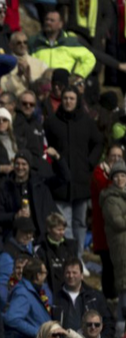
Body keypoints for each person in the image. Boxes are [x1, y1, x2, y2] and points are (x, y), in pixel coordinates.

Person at [44, 87, 103, 264]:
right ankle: (69, 258)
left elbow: (98, 142)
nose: (68, 101)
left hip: (81, 182)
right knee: (65, 223)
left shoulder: (86, 122)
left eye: (72, 98)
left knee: (80, 223)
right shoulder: (52, 122)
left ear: (77, 101)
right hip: (61, 183)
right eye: (65, 98)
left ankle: (78, 258)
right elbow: (46, 146)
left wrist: (90, 163)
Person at [91, 145, 125, 300]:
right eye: (113, 155)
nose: (116, 158)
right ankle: (110, 301)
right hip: (106, 234)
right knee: (110, 268)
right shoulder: (100, 175)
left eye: (119, 156)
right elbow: (117, 221)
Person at [5, 258, 53, 338]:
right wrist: (38, 332)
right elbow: (12, 318)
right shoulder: (23, 293)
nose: (46, 276)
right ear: (38, 275)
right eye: (45, 273)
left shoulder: (33, 290)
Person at [29, 10, 96, 79]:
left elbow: (90, 58)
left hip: (64, 85)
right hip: (40, 85)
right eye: (46, 20)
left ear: (60, 24)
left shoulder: (70, 42)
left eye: (52, 20)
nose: (48, 22)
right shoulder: (34, 42)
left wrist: (78, 75)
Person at [101, 161, 126, 318]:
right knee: (124, 283)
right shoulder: (110, 199)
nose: (120, 179)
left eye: (123, 175)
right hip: (121, 247)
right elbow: (118, 222)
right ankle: (121, 326)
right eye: (116, 176)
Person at [0, 31, 49, 98]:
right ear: (11, 45)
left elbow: (45, 89)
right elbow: (5, 89)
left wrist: (29, 79)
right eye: (18, 43)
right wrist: (18, 76)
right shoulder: (5, 64)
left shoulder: (40, 64)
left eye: (25, 42)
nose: (22, 45)